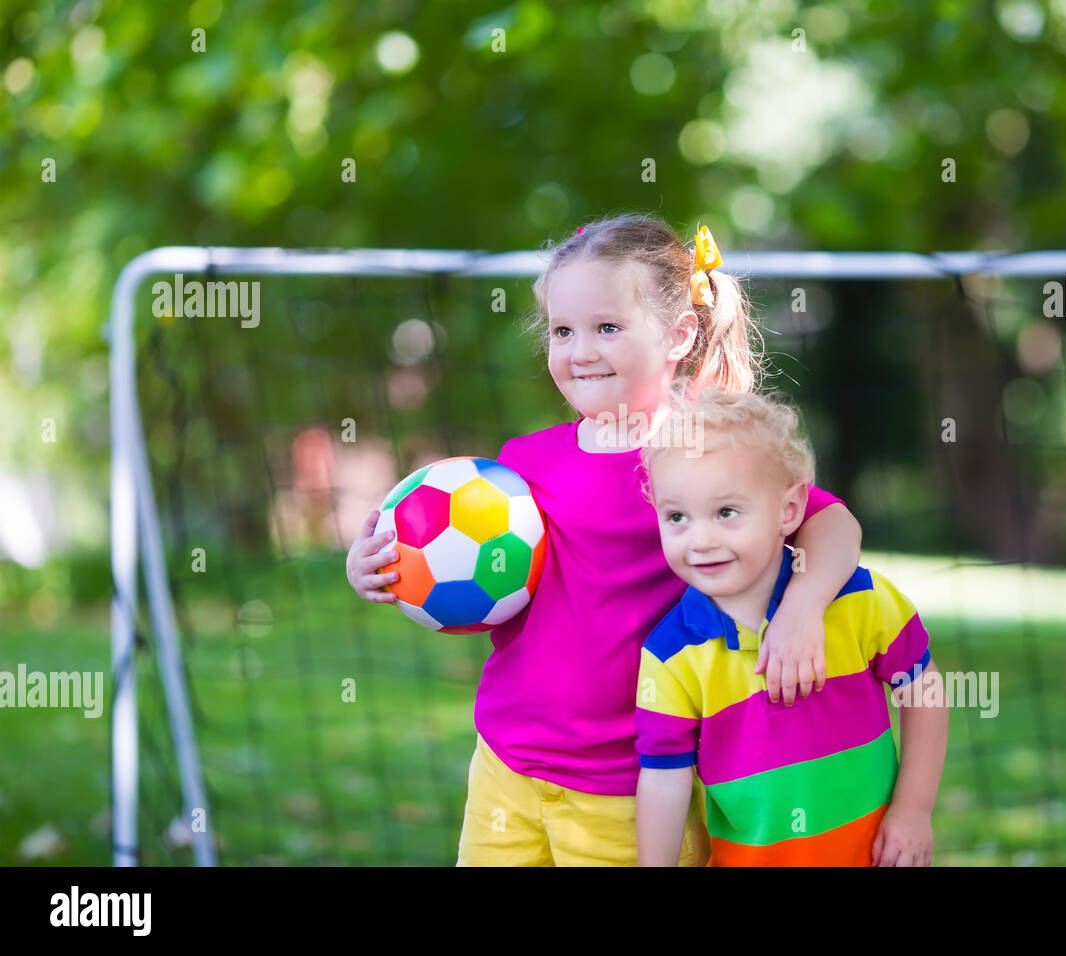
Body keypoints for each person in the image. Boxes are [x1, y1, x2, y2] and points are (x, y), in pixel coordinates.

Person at [346, 213, 864, 865]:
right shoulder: (519, 464)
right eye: (562, 331)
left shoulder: (703, 455)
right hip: (506, 768)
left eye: (607, 328)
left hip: (634, 786)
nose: (579, 351)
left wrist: (802, 610)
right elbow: (473, 573)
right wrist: (371, 568)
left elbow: (833, 522)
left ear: (678, 335)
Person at [634, 387, 948, 866]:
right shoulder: (669, 654)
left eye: (726, 512)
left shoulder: (860, 600)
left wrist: (913, 809)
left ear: (789, 510)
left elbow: (923, 690)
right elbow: (663, 779)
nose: (700, 539)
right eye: (676, 516)